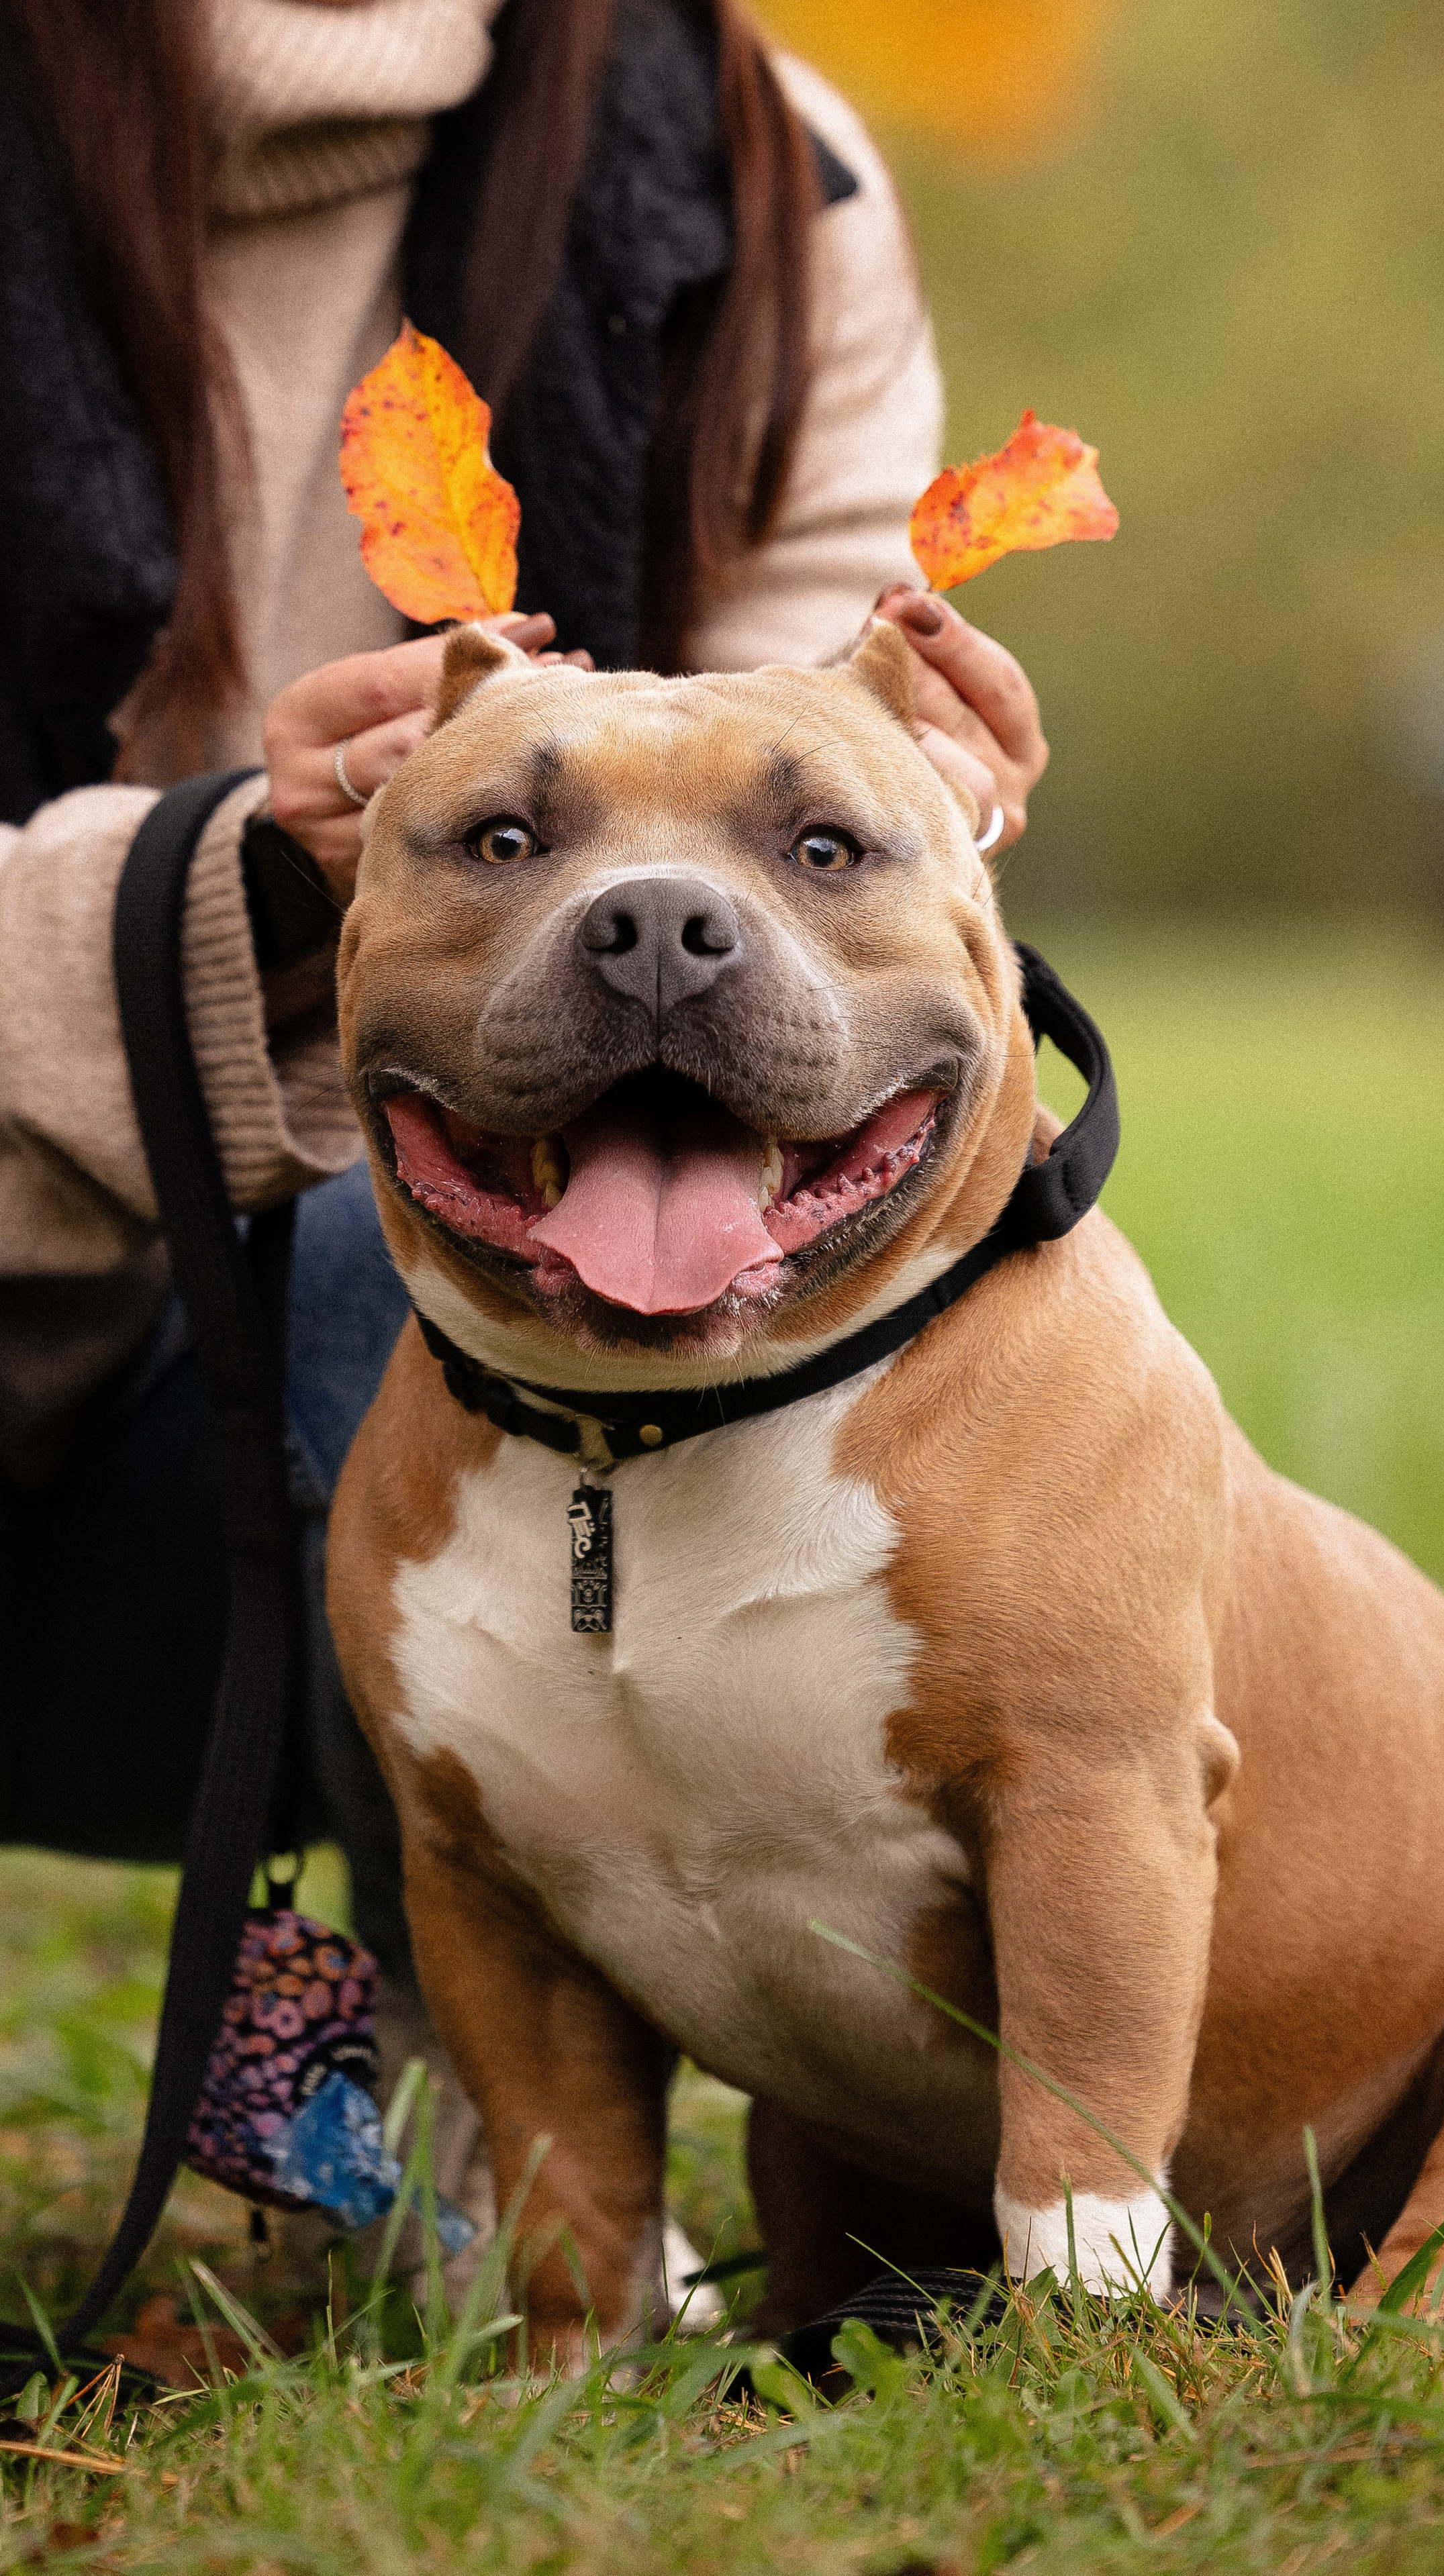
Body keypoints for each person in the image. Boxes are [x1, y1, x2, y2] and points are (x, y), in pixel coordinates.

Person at [0, 0, 1047, 2277]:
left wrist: (914, 827)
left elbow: (806, 959)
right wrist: (229, 888)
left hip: (363, 1390)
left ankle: (499, 2144)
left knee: (480, 1234)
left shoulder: (760, 176)